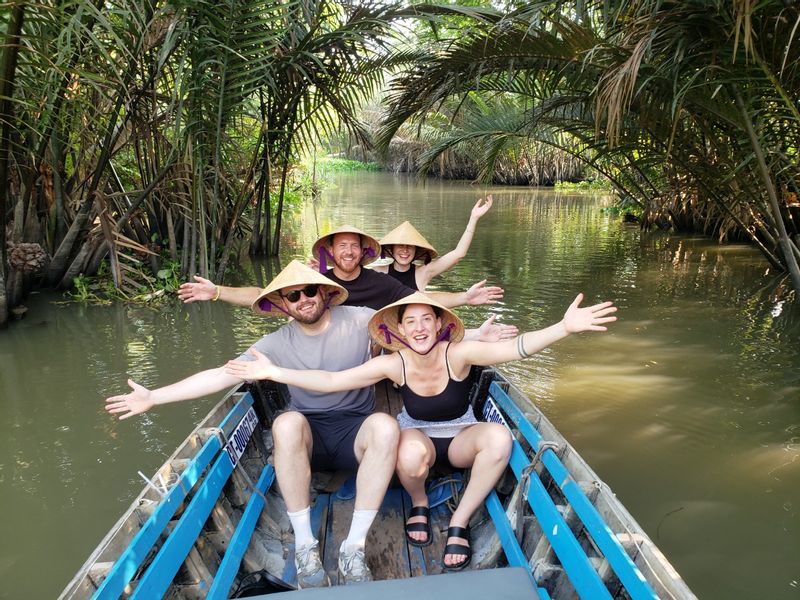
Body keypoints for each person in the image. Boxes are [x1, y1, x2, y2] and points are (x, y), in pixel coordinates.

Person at [106, 262, 516, 587]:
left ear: (324, 293)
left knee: (386, 427)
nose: (302, 299)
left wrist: (476, 334)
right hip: (307, 436)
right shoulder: (274, 345)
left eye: (309, 291)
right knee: (284, 423)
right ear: (283, 304)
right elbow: (221, 374)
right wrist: (154, 397)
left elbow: (415, 331)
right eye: (292, 296)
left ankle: (353, 548)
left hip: (356, 432)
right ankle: (304, 544)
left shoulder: (359, 320)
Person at [224, 291, 618, 572]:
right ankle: (419, 503)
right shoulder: (393, 364)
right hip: (418, 437)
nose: (418, 327)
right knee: (409, 454)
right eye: (409, 321)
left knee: (500, 438)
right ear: (399, 330)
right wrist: (274, 373)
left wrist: (563, 328)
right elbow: (331, 379)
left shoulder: (461, 352)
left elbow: (517, 348)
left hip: (461, 434)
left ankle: (460, 522)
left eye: (426, 319)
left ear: (439, 325)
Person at [177, 226, 504, 311]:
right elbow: (263, 296)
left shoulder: (381, 282)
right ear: (330, 252)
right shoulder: (315, 282)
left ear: (364, 252)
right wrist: (217, 291)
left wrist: (464, 297)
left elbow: (421, 299)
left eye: (354, 246)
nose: (348, 251)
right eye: (341, 245)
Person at [374, 196, 493, 290]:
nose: (405, 250)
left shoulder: (424, 272)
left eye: (410, 246)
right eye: (400, 245)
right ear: (392, 249)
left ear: (416, 250)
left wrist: (473, 218)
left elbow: (459, 253)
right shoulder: (378, 272)